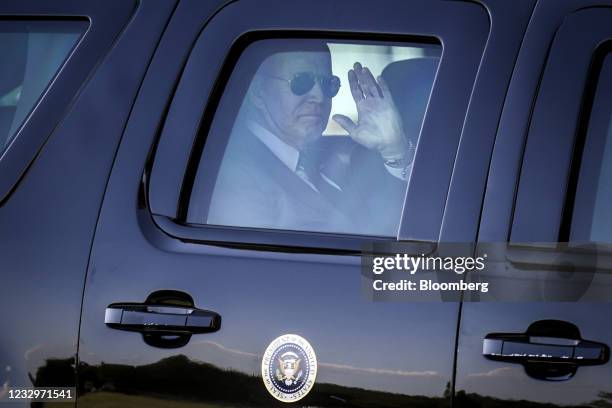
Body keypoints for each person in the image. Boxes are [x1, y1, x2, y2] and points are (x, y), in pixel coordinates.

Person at [204, 41, 413, 236]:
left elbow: (399, 226)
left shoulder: (335, 155)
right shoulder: (231, 178)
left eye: (327, 83)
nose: (320, 97)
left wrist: (395, 150)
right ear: (258, 91)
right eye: (301, 81)